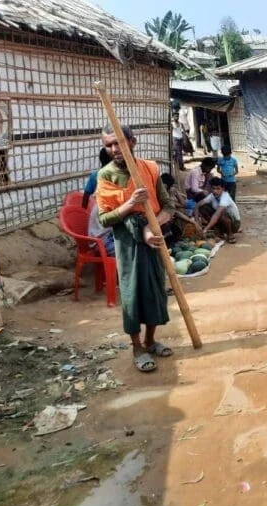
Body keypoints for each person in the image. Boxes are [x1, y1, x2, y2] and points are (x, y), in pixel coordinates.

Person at [96, 124, 175, 373]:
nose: (113, 148)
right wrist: (130, 203)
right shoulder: (106, 176)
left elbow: (168, 207)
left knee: (154, 290)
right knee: (132, 294)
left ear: (133, 141)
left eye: (118, 142)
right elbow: (105, 219)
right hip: (127, 244)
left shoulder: (150, 169)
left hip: (153, 240)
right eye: (108, 144)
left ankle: (151, 340)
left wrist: (153, 227)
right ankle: (137, 347)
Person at [194, 177, 241, 243]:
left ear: (223, 189)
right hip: (220, 220)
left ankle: (230, 234)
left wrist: (206, 229)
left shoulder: (225, 196)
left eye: (218, 189)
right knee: (203, 208)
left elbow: (217, 214)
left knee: (222, 213)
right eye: (213, 188)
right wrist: (197, 223)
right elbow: (197, 205)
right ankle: (219, 232)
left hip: (234, 223)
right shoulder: (212, 196)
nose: (215, 191)